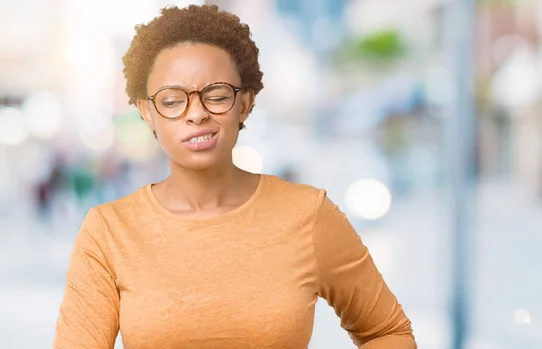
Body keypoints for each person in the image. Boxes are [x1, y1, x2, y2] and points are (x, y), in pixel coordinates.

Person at [53, 4, 416, 349]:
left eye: (216, 94)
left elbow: (387, 331)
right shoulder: (108, 231)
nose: (196, 114)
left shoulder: (309, 214)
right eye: (172, 100)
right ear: (147, 112)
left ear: (245, 103)